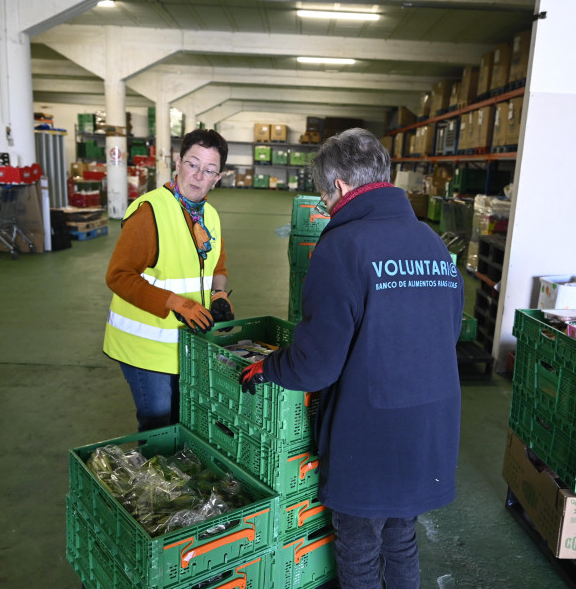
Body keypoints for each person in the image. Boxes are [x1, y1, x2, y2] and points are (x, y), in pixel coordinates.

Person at [240, 128, 464, 589]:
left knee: (359, 551)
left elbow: (316, 365)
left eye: (323, 195)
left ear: (340, 186)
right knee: (401, 540)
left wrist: (269, 366)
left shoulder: (341, 247)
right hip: (430, 425)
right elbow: (448, 331)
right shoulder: (432, 243)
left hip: (372, 434)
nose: (324, 206)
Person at [104, 128, 234, 432]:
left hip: (186, 343)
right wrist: (174, 302)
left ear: (218, 177)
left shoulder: (209, 216)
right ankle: (151, 479)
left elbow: (219, 264)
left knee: (182, 419)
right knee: (159, 422)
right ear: (177, 163)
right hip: (144, 347)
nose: (198, 176)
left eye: (209, 170)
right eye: (192, 164)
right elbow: (119, 276)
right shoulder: (151, 212)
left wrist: (219, 294)